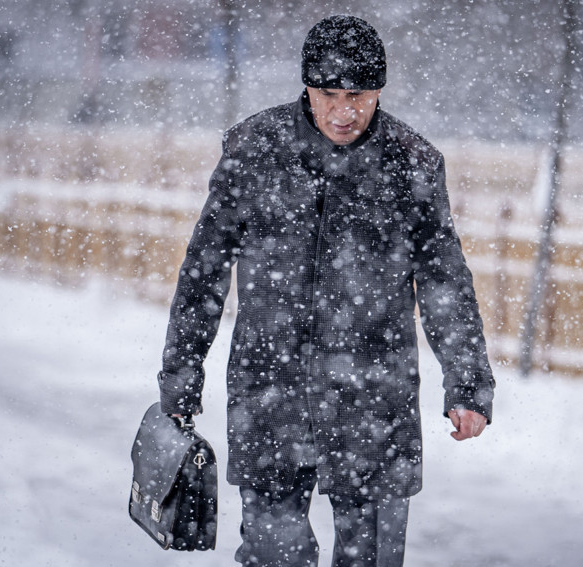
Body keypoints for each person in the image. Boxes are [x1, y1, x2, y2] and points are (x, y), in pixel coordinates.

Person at [157, 15, 495, 567]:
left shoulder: (412, 166)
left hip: (375, 402)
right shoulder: (254, 151)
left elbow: (444, 281)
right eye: (329, 94)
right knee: (273, 557)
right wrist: (180, 378)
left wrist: (468, 384)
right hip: (270, 393)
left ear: (379, 90)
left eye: (358, 95)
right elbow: (203, 272)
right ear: (307, 88)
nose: (344, 112)